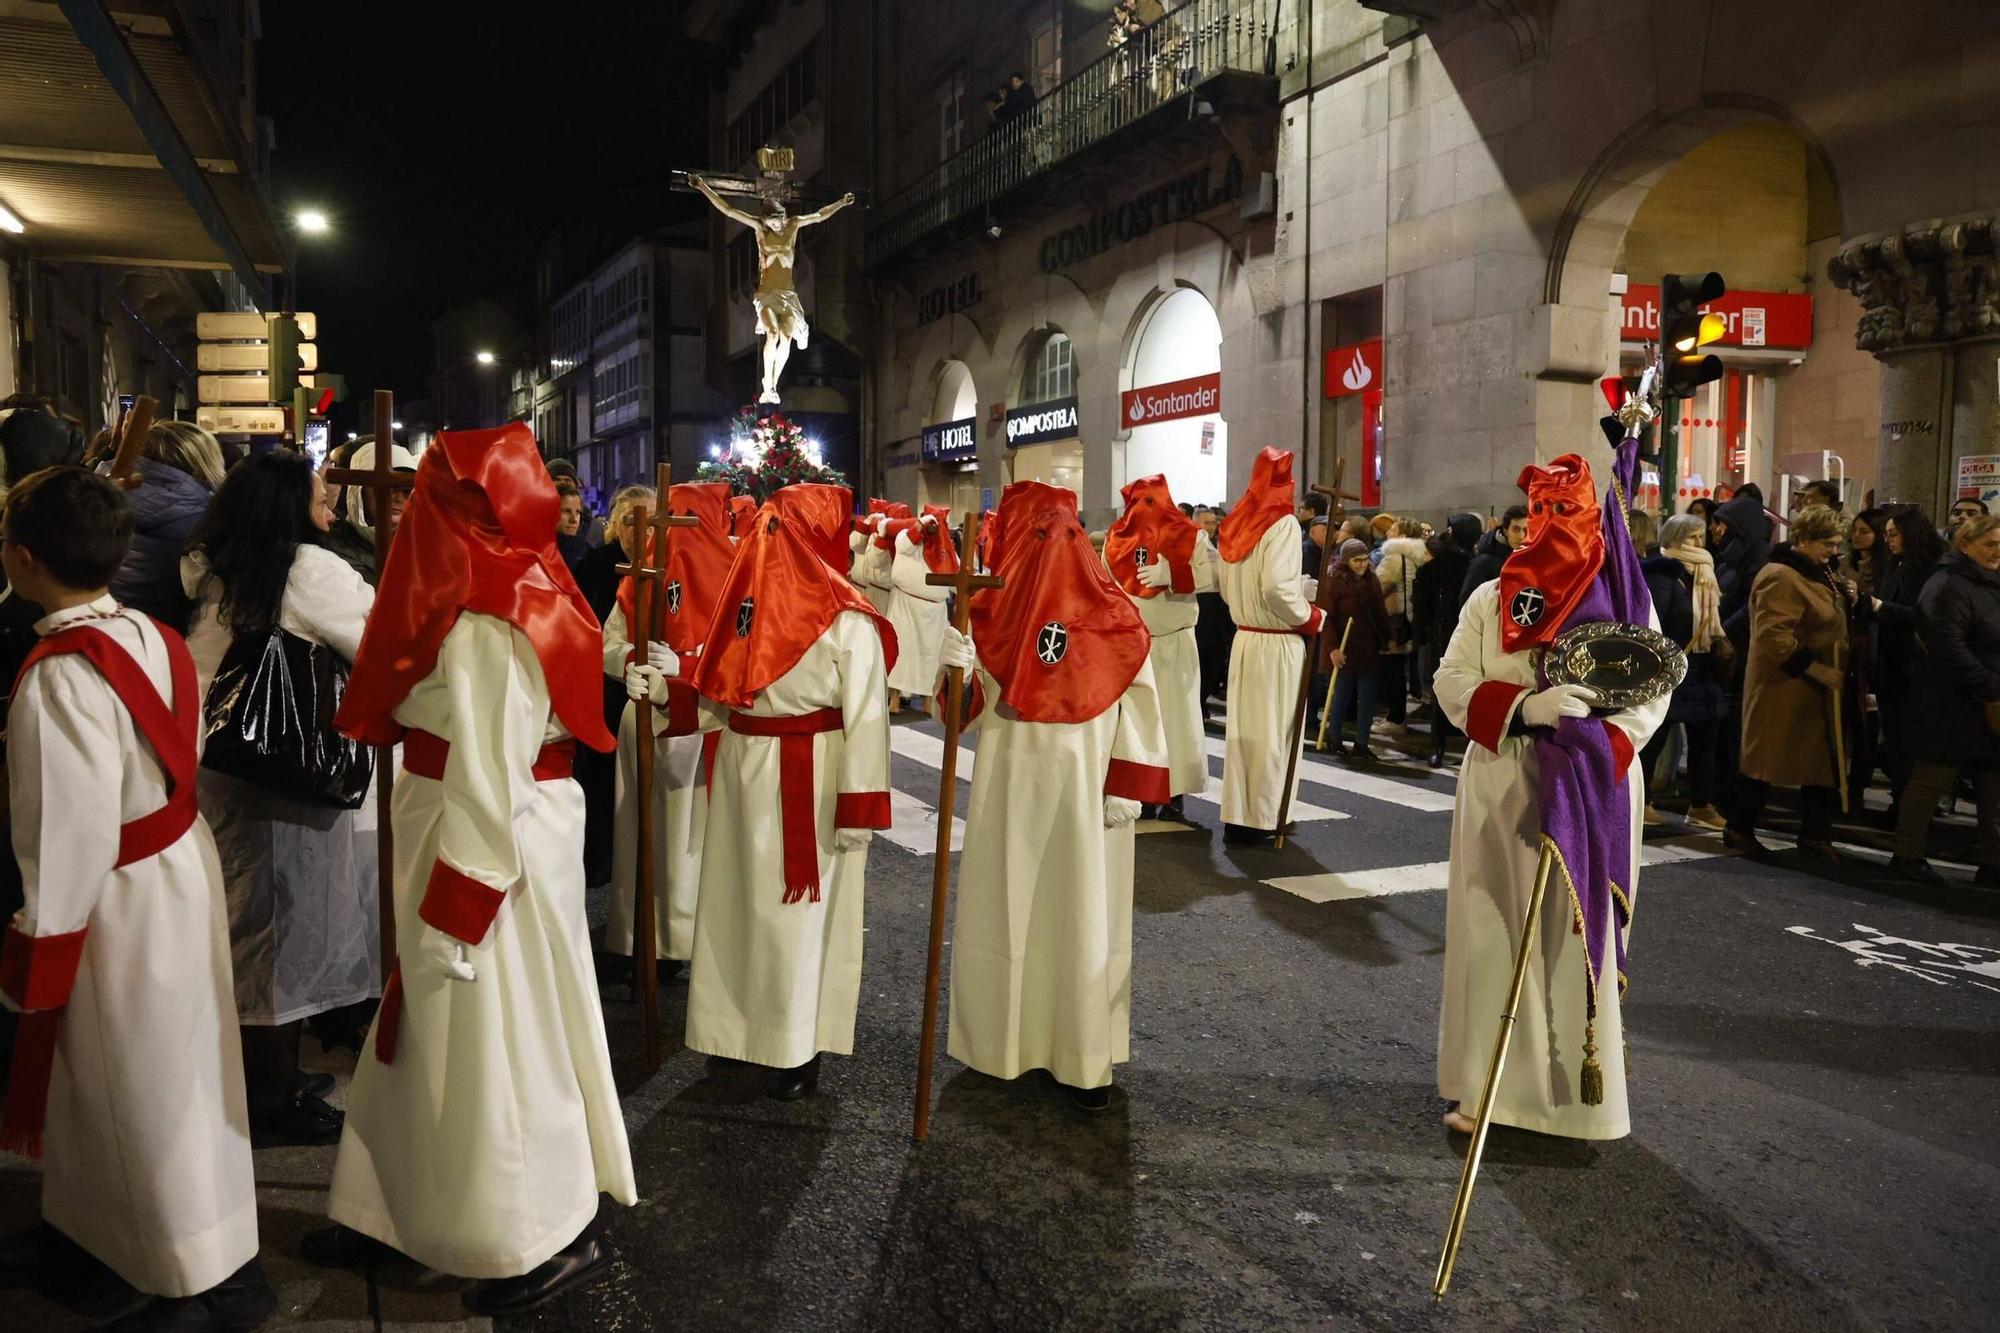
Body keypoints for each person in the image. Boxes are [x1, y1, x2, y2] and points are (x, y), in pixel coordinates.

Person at [311, 423, 633, 1316]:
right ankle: (398, 1207)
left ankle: (529, 1232)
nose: (404, 511)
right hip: (455, 829)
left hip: (486, 855)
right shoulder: (480, 584)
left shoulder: (494, 610)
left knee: (498, 1036)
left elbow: (492, 773)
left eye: (421, 497)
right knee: (430, 1038)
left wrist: (462, 904)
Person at [0, 466, 273, 1328]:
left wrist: (35, 947)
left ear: (23, 557)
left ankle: (179, 1268)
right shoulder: (154, 634)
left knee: (134, 1083)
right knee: (172, 1072)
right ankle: (97, 1237)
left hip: (113, 896)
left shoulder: (58, 677)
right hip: (175, 869)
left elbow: (63, 832)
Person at [1434, 447, 1667, 1141]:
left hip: (1589, 790)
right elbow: (1451, 681)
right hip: (1502, 783)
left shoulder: (1627, 601)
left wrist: (1602, 749)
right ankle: (1491, 1087)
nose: (1546, 523)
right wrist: (1525, 709)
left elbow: (1652, 690)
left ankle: (1572, 1096)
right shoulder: (1489, 598)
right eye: (1537, 510)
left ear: (1593, 515)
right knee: (1492, 932)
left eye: (1564, 509)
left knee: (1573, 938)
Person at [938, 480, 1170, 1110]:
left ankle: (1081, 1056)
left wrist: (1129, 783)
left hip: (1084, 794)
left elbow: (1142, 709)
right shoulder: (988, 613)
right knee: (1009, 907)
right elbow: (964, 713)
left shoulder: (1116, 614)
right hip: (1011, 784)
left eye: (1062, 531)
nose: (1054, 547)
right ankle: (1001, 1045)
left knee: (1079, 915)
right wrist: (954, 665)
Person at [182, 450, 376, 1145]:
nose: (330, 503)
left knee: (245, 924)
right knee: (284, 936)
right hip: (288, 775)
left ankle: (261, 1077)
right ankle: (271, 1095)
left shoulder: (211, 564)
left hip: (221, 764)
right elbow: (379, 642)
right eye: (319, 494)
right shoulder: (310, 568)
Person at [676, 483, 894, 1100]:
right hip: (746, 765)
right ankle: (731, 1033)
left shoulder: (847, 617)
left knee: (793, 919)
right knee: (734, 906)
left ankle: (793, 1045)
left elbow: (868, 717)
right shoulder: (744, 599)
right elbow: (719, 682)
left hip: (810, 774)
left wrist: (858, 803)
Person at [603, 481, 736, 973]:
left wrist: (685, 669)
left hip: (702, 726)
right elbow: (609, 642)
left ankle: (685, 941)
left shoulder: (736, 578)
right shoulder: (641, 575)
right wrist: (633, 661)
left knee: (690, 840)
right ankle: (641, 934)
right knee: (642, 832)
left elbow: (743, 660)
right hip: (647, 721)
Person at [1726, 505, 1851, 862]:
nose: (1834, 551)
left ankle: (1815, 832)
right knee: (1765, 760)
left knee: (1819, 763)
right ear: (1803, 540)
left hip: (1810, 691)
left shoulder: (1818, 572)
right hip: (1783, 686)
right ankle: (1740, 827)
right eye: (1827, 543)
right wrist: (1816, 669)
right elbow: (1773, 636)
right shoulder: (1782, 576)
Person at [1217, 448, 1324, 843]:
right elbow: (1278, 588)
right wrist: (1308, 614)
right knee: (1274, 732)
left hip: (1245, 639)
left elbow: (1228, 591)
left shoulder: (1234, 523)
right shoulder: (1283, 526)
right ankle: (1265, 815)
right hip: (1277, 643)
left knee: (1245, 733)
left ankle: (1239, 814)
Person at [1891, 513, 2000, 883]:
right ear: (1965, 545)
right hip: (1951, 700)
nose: (1997, 552)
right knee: (1932, 778)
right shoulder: (1949, 584)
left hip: (1986, 697)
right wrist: (1987, 685)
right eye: (1990, 544)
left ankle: (1993, 861)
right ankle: (1907, 855)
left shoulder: (1988, 583)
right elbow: (1945, 645)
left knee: (1993, 785)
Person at [1106, 473, 1217, 819]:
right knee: (1138, 721)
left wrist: (1173, 575)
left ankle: (1174, 794)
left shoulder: (1191, 535)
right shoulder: (1116, 537)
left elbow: (1213, 577)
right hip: (1133, 643)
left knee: (1177, 718)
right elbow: (1105, 582)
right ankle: (1139, 788)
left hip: (1174, 641)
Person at [573, 484, 655, 887]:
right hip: (602, 695)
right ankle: (600, 864)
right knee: (603, 785)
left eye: (649, 521)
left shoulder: (673, 567)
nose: (639, 531)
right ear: (614, 526)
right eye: (629, 521)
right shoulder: (592, 567)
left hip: (656, 698)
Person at [1640, 514, 1728, 830]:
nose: (1699, 545)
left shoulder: (1705, 574)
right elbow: (1656, 624)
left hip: (1702, 666)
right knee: (1657, 735)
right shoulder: (1665, 575)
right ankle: (1643, 798)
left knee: (1706, 738)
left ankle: (1702, 803)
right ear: (1675, 538)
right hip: (1673, 664)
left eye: (1700, 538)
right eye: (1692, 538)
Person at [108, 420, 226, 630]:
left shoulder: (102, 501)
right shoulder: (204, 519)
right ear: (204, 462)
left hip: (108, 635)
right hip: (171, 641)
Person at [1870, 506, 1948, 818]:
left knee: (1909, 739)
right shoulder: (1896, 565)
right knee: (1894, 738)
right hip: (1891, 663)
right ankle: (1901, 799)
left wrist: (1880, 607)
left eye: (1893, 534)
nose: (1888, 541)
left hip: (1914, 667)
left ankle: (1911, 806)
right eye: (1886, 535)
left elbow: (1924, 615)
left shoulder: (1930, 569)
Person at [1412, 513, 1482, 766]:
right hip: (1442, 634)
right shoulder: (1437, 568)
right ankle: (1438, 743)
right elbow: (1424, 607)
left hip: (1466, 634)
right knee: (1442, 689)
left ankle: (1459, 742)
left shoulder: (1478, 564)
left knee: (1470, 689)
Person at [1320, 538, 1390, 759]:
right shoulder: (1335, 581)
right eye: (1356, 560)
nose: (1362, 564)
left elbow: (1380, 611)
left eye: (1365, 559)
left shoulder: (1371, 579)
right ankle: (1334, 737)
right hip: (1344, 646)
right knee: (1342, 695)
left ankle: (1362, 742)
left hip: (1367, 646)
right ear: (1346, 560)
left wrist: (1387, 638)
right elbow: (1327, 618)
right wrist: (1332, 648)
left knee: (1367, 698)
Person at [883, 506, 956, 709]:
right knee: (902, 651)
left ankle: (928, 699)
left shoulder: (945, 550)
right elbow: (906, 544)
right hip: (906, 605)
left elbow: (955, 573)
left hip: (934, 612)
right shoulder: (905, 538)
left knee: (931, 655)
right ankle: (895, 697)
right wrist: (921, 526)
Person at [325, 437, 418, 584]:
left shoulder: (419, 546)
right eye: (389, 489)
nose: (399, 498)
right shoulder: (333, 549)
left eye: (407, 491)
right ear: (359, 492)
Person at [1376, 514, 1429, 731]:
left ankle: (1395, 719)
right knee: (1404, 671)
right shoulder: (1421, 556)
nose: (1388, 532)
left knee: (1393, 671)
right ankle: (1397, 716)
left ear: (1403, 535)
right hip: (1412, 621)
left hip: (1394, 621)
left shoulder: (1395, 557)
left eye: (1393, 529)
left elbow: (1378, 587)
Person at [1193, 505, 1233, 718]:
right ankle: (1197, 702)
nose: (1212, 526)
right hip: (1201, 603)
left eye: (1214, 522)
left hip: (1217, 605)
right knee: (1201, 658)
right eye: (1207, 522)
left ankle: (1202, 698)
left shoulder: (1217, 543)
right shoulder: (1191, 541)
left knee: (1216, 659)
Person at [1459, 504, 1527, 605]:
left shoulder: (1531, 561)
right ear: (1506, 530)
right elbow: (1468, 604)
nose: (1521, 536)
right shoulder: (1483, 563)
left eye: (1526, 530)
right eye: (1516, 529)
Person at [555, 478, 591, 578]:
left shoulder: (591, 556)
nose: (574, 520)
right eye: (566, 511)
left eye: (577, 512)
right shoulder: (541, 555)